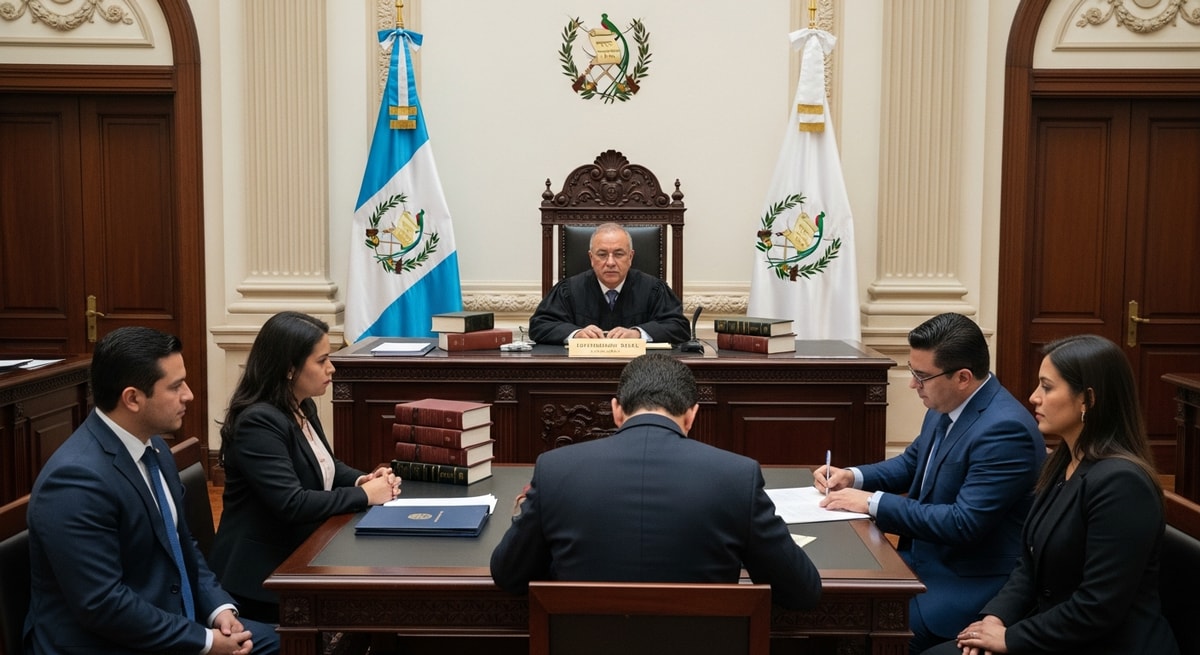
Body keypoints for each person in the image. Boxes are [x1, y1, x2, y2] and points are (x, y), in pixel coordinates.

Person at [489, 353, 822, 610]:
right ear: (692, 415)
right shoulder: (737, 476)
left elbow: (509, 575)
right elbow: (801, 591)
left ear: (616, 411)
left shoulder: (555, 469)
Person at [24, 326, 279, 655]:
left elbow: (181, 544)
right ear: (132, 398)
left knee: (296, 641)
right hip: (104, 643)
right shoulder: (76, 480)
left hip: (167, 620)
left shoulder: (154, 449)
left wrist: (220, 610)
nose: (188, 394)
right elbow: (103, 604)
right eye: (175, 387)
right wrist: (204, 642)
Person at [925, 335, 1178, 655]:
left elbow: (1098, 606)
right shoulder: (1064, 462)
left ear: (1087, 399)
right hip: (1055, 632)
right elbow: (1028, 564)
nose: (1033, 397)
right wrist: (996, 617)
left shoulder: (1123, 485)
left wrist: (1009, 639)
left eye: (1047, 387)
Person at [814, 313, 1045, 653]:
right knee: (831, 614)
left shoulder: (1004, 431)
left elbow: (963, 523)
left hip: (963, 582)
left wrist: (871, 502)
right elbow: (912, 463)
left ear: (963, 378)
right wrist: (854, 475)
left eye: (920, 376)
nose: (912, 384)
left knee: (852, 630)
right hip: (919, 560)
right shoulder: (944, 404)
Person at [209, 311, 399, 622]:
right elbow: (292, 503)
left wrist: (362, 480)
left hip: (304, 550)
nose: (332, 368)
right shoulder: (258, 421)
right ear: (289, 368)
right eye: (322, 360)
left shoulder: (301, 403)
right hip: (263, 576)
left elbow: (327, 465)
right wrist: (366, 496)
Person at [528, 222, 690, 344]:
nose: (610, 262)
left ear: (630, 257)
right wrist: (576, 333)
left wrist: (638, 333)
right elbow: (539, 326)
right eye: (602, 254)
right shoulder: (568, 290)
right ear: (591, 258)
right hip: (582, 374)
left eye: (619, 254)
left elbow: (679, 327)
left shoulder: (653, 289)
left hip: (642, 375)